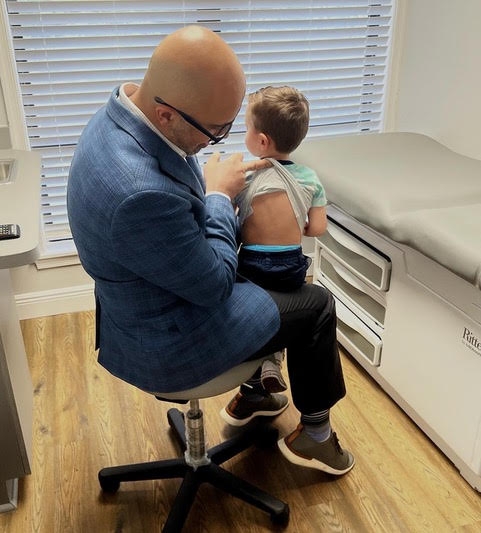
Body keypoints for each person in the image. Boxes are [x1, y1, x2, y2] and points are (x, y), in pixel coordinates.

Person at [67, 25, 354, 476]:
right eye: (215, 131)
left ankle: (256, 396)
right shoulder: (138, 194)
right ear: (166, 114)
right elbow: (217, 285)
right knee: (315, 304)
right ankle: (316, 436)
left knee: (267, 285)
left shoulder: (116, 116)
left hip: (138, 305)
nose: (216, 141)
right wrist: (219, 195)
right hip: (171, 341)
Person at [234, 85, 328, 393]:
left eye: (246, 128)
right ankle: (273, 361)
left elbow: (230, 220)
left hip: (251, 265)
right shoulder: (310, 178)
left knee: (258, 309)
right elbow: (317, 228)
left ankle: (258, 369)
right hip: (290, 266)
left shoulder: (245, 177)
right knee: (286, 311)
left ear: (262, 141)